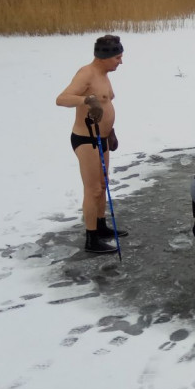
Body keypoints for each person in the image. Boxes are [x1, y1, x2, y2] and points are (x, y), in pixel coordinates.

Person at [55, 34, 128, 254]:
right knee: (93, 188)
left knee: (103, 185)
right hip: (87, 139)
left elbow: (106, 102)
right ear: (104, 57)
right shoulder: (86, 73)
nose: (121, 62)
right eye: (118, 57)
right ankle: (91, 239)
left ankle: (101, 225)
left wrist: (111, 130)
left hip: (103, 137)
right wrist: (86, 100)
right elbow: (62, 98)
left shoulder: (103, 73)